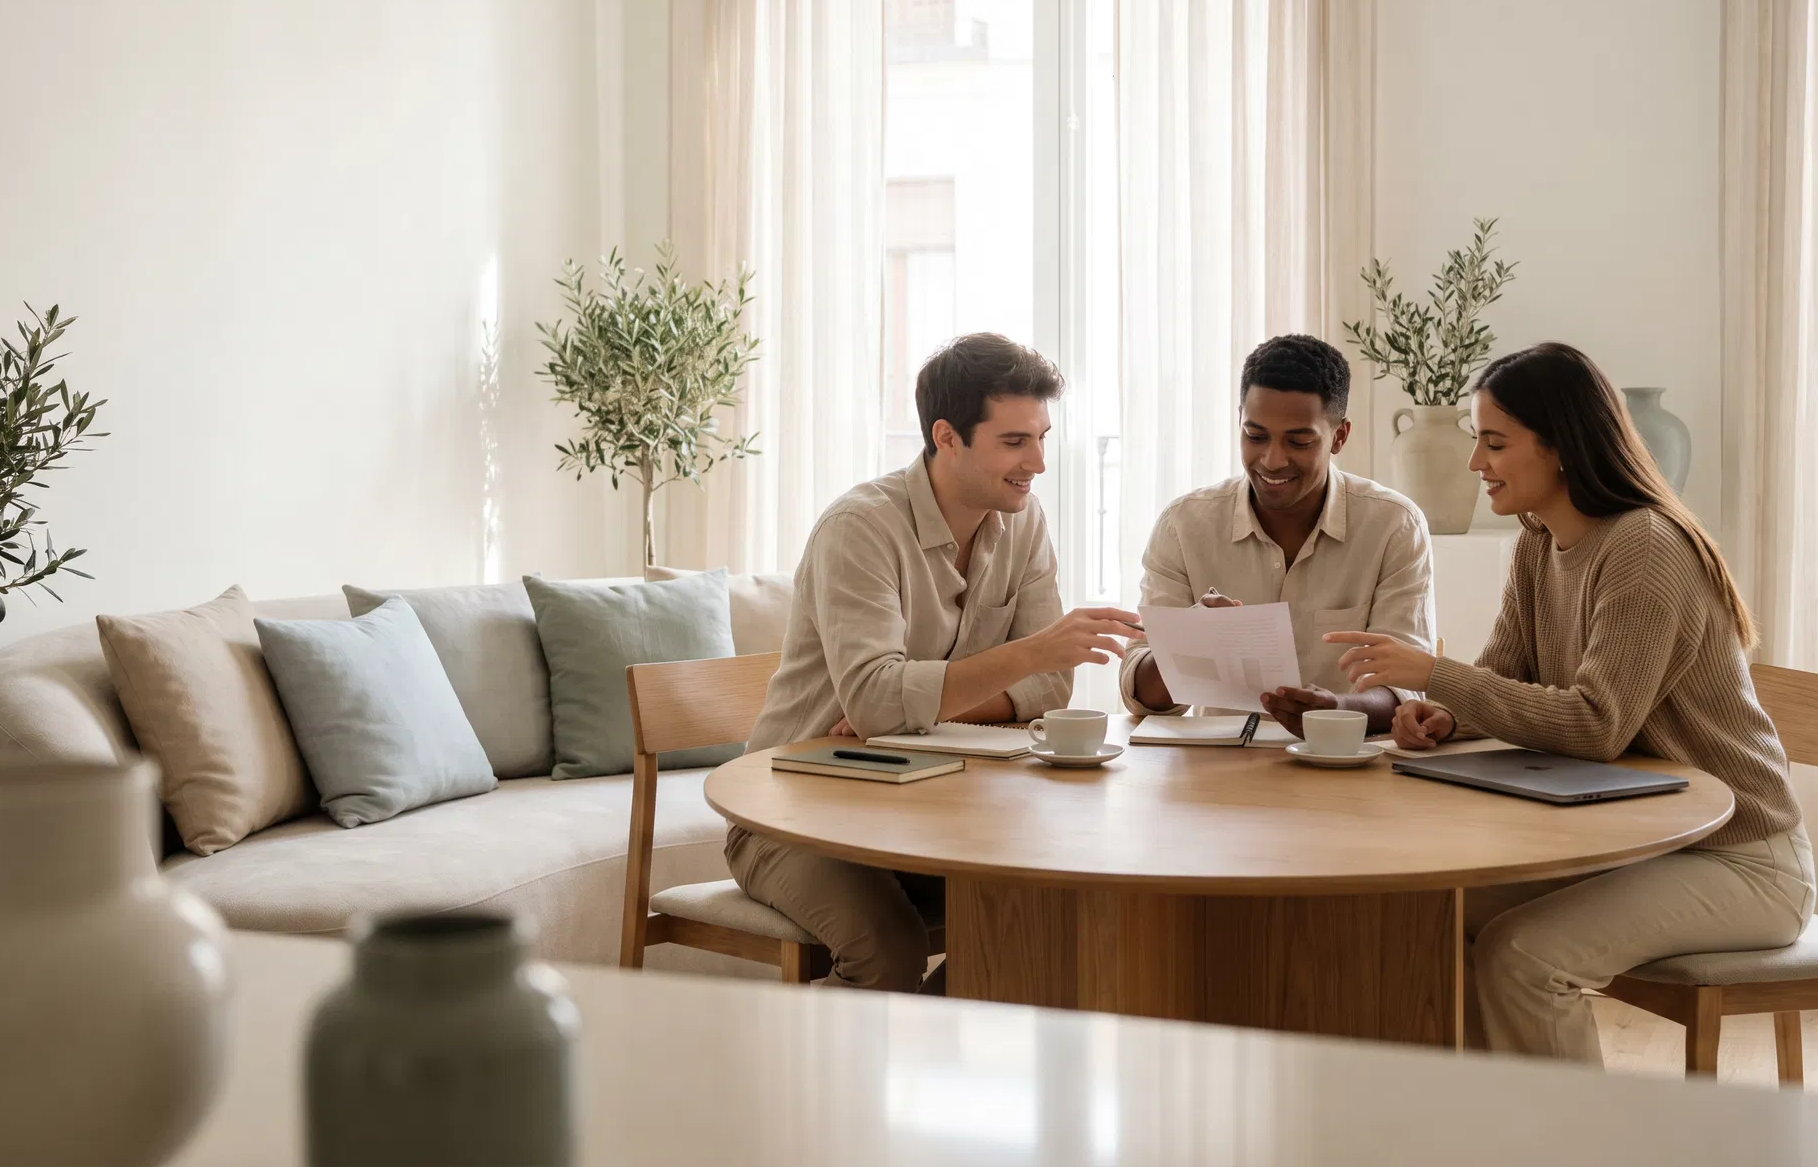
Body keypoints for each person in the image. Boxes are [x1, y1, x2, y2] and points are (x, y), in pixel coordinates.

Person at [1330, 342, 1813, 1063]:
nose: (1476, 464)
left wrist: (1437, 677)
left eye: (1495, 443)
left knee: (1526, 957)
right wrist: (1447, 715)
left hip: (1740, 859)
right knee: (1429, 916)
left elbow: (1596, 725)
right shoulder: (1537, 544)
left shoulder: (1645, 549)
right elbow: (1504, 676)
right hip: (1648, 844)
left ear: (1560, 447)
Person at [729, 332, 1144, 992]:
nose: (1037, 462)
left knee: (1043, 911)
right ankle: (795, 1078)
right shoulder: (860, 530)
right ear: (947, 437)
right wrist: (1021, 656)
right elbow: (876, 698)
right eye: (1015, 441)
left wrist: (906, 713)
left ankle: (910, 1064)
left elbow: (1049, 687)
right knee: (889, 950)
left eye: (1042, 437)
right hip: (795, 813)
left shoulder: (1023, 521)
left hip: (928, 804)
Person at [1119, 334, 1435, 736]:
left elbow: (1406, 688)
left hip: (1346, 764)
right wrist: (1191, 641)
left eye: (1299, 441)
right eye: (1255, 436)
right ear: (1239, 421)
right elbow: (1138, 693)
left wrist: (1335, 710)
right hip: (1216, 774)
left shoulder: (1394, 525)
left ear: (1340, 436)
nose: (1272, 459)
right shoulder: (1183, 524)